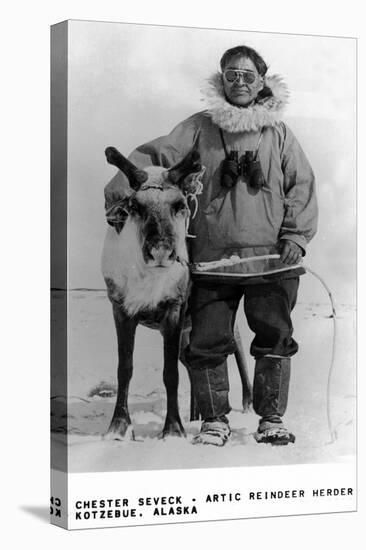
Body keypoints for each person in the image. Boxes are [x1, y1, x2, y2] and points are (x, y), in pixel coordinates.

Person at [104, 45, 318, 446]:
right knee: (207, 341)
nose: (239, 82)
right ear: (222, 79)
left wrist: (295, 236)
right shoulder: (198, 128)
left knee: (274, 338)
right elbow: (152, 154)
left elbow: (301, 186)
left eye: (248, 76)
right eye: (232, 75)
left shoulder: (280, 134)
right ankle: (214, 421)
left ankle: (271, 418)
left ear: (262, 80)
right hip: (210, 261)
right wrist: (117, 197)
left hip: (272, 261)